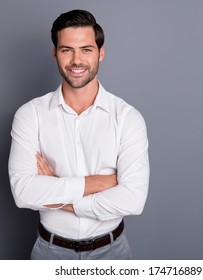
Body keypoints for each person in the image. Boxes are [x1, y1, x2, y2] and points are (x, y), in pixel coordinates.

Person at [8, 9, 149, 260]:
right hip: (49, 254)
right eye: (66, 50)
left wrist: (60, 195)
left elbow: (133, 199)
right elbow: (23, 192)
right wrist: (101, 182)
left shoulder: (128, 118)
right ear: (55, 54)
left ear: (100, 53)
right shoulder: (30, 115)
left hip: (112, 254)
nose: (76, 60)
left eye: (86, 49)